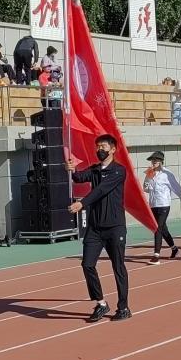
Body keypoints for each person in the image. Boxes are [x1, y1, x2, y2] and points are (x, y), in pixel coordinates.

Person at [67, 135, 131, 322]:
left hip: (114, 227)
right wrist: (72, 169)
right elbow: (79, 177)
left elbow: (101, 190)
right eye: (97, 147)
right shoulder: (95, 169)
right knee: (87, 264)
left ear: (113, 149)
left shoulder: (119, 171)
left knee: (118, 267)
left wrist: (82, 203)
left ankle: (123, 307)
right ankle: (101, 303)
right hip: (95, 229)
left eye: (103, 146)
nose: (99, 150)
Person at [142, 151, 181, 263]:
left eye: (156, 160)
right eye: (152, 160)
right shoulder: (149, 173)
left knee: (157, 228)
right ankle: (174, 249)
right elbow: (146, 189)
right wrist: (148, 178)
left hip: (164, 205)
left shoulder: (167, 174)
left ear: (161, 161)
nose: (154, 162)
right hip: (153, 204)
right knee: (163, 230)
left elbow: (176, 188)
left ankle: (156, 255)